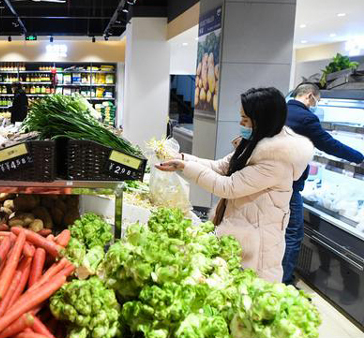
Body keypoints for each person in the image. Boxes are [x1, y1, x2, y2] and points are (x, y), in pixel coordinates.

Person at [156, 87, 314, 283]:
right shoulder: (253, 142)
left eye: (245, 119)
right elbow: (221, 167)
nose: (241, 123)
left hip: (258, 246)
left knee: (249, 297)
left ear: (263, 120)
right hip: (239, 229)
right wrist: (182, 158)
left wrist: (185, 167)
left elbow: (228, 187)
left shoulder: (277, 159)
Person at [282, 83, 364, 285]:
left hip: (272, 181)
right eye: (316, 101)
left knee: (280, 232)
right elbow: (330, 144)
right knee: (294, 233)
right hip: (289, 186)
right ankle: (284, 282)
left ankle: (274, 274)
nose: (315, 105)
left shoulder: (280, 110)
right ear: (310, 96)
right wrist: (359, 157)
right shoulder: (306, 118)